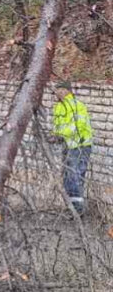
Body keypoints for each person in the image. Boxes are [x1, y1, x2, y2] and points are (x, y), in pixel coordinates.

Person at [51, 81, 93, 214]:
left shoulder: (76, 105)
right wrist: (55, 136)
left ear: (64, 90)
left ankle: (78, 210)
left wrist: (60, 134)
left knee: (75, 176)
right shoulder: (58, 107)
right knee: (67, 176)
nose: (54, 93)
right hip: (67, 145)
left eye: (57, 90)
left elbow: (77, 126)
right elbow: (58, 126)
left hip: (80, 145)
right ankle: (71, 206)